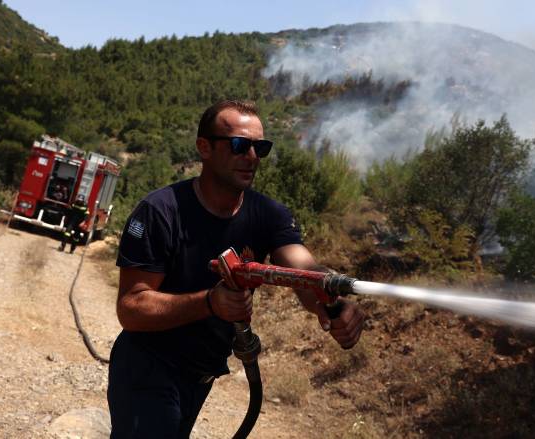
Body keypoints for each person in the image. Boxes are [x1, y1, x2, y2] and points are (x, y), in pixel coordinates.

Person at [108, 100, 366, 438]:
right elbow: (131, 308)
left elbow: (303, 267)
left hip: (200, 375)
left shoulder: (268, 215)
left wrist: (329, 298)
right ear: (204, 148)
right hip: (147, 367)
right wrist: (209, 303)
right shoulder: (161, 211)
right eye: (239, 145)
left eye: (261, 148)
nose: (252, 156)